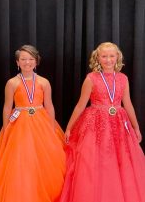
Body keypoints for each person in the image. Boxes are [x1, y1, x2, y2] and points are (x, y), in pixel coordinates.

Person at [60, 42, 145, 202]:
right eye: (104, 56)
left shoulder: (123, 78)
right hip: (95, 123)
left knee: (120, 161)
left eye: (112, 56)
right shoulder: (91, 78)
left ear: (117, 57)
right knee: (95, 160)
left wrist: (136, 127)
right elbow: (80, 105)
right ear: (98, 58)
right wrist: (69, 127)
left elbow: (127, 104)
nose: (108, 59)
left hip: (119, 123)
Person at [0, 45, 66, 202]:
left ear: (36, 62)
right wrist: (7, 128)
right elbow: (7, 107)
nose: (27, 62)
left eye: (30, 59)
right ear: (17, 62)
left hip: (41, 122)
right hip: (19, 125)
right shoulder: (12, 83)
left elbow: (49, 105)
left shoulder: (43, 82)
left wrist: (51, 127)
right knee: (21, 160)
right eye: (23, 59)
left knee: (45, 159)